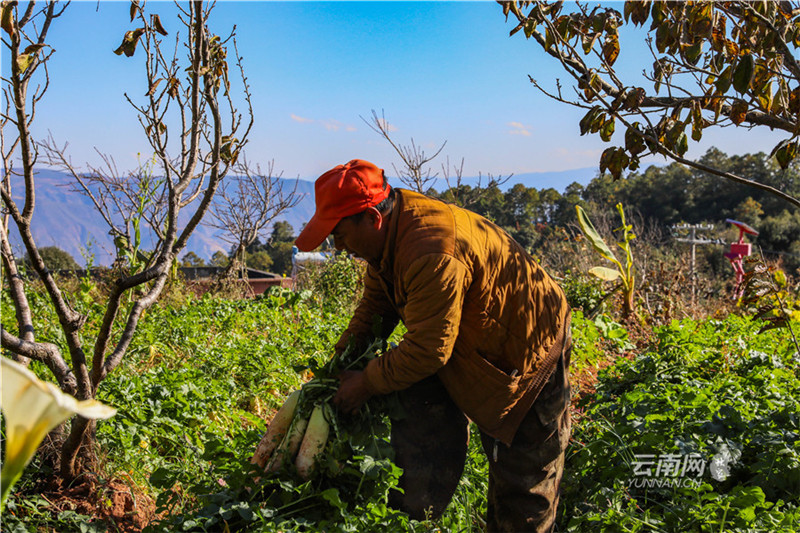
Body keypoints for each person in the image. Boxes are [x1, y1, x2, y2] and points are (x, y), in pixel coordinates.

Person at [295, 159, 572, 533]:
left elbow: (429, 351)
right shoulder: (389, 235)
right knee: (415, 406)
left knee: (522, 489)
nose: (340, 248)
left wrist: (364, 382)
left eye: (340, 235)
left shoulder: (430, 250)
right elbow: (375, 308)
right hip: (471, 343)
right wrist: (335, 368)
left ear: (373, 219)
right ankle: (412, 517)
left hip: (525, 350)